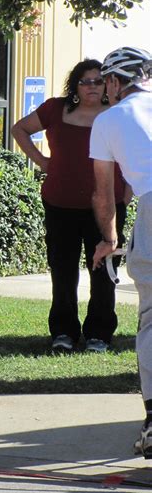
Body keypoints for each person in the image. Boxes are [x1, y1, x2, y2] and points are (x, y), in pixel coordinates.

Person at [11, 59, 129, 353]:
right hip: (60, 204)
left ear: (108, 85)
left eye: (99, 81)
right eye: (86, 81)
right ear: (75, 86)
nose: (93, 86)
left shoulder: (117, 115)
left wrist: (126, 194)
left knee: (103, 273)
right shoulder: (54, 109)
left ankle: (99, 333)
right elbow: (20, 130)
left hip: (107, 208)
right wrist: (43, 162)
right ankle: (63, 332)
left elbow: (132, 155)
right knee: (62, 271)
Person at [90, 47, 152, 459]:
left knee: (151, 319)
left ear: (115, 81)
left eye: (104, 82)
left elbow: (104, 193)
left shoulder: (108, 120)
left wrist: (109, 239)